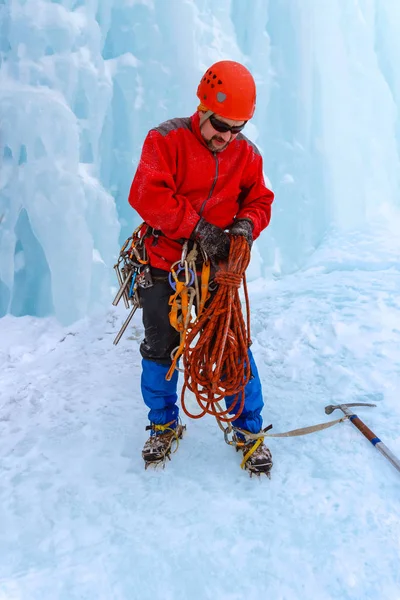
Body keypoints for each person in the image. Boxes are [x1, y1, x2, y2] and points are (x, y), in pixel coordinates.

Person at [128, 60, 275, 475]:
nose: (226, 138)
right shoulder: (166, 140)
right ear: (203, 109)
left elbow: (260, 200)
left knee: (231, 345)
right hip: (163, 263)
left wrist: (245, 225)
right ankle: (162, 425)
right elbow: (146, 194)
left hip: (215, 268)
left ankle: (248, 430)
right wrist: (198, 228)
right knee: (161, 348)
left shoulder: (245, 155)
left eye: (236, 129)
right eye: (220, 126)